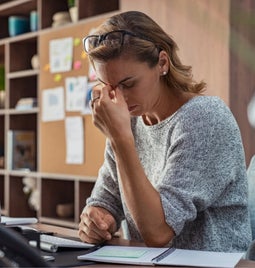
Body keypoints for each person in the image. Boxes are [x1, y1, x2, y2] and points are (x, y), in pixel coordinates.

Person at [78, 10, 252, 252]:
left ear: (162, 63)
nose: (119, 97)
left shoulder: (204, 118)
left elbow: (158, 232)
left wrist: (120, 139)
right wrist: (96, 219)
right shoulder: (130, 122)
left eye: (128, 84)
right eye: (109, 86)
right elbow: (107, 198)